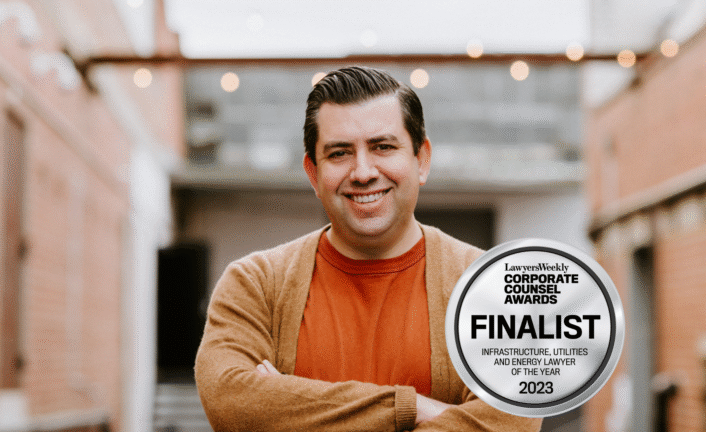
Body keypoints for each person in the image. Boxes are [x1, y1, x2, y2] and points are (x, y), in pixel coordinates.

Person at [194, 66, 542, 431]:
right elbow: (231, 402)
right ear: (313, 173)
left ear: (421, 160)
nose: (362, 172)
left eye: (383, 147)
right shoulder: (256, 284)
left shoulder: (492, 287)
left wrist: (288, 405)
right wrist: (415, 408)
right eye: (340, 153)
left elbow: (512, 425)